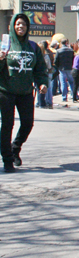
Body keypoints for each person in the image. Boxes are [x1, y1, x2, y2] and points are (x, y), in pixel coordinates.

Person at [0, 13, 49, 173]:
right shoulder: (4, 45)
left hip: (26, 92)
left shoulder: (33, 47)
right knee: (7, 125)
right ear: (12, 26)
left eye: (24, 24)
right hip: (6, 92)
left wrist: (42, 83)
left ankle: (15, 148)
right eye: (18, 24)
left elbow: (40, 69)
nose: (21, 27)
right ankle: (7, 160)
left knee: (28, 123)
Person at [55, 38, 75, 104]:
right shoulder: (71, 50)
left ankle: (64, 97)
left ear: (61, 43)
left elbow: (56, 60)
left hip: (62, 68)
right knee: (71, 82)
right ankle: (74, 95)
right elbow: (73, 59)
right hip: (69, 67)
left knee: (63, 82)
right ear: (66, 43)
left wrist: (57, 67)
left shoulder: (59, 51)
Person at [37, 40, 55, 109]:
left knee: (38, 88)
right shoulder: (47, 55)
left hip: (38, 74)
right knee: (48, 88)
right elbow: (49, 66)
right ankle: (48, 102)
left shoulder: (37, 55)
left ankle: (39, 102)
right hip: (47, 73)